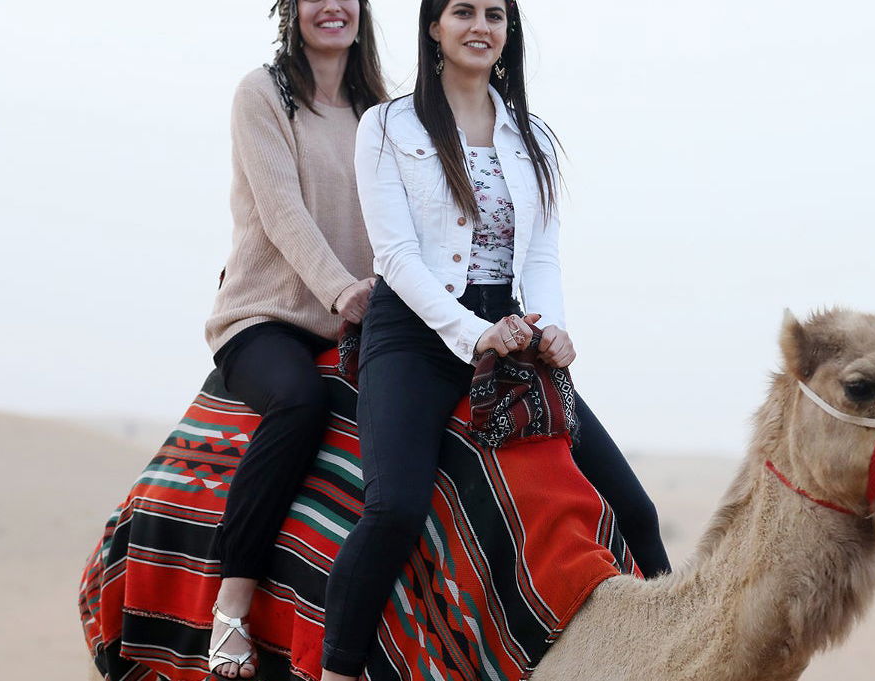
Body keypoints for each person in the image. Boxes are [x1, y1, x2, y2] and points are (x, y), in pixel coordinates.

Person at [320, 1, 671, 678]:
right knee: (394, 508)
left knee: (635, 506)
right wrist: (476, 333)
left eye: (495, 15)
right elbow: (394, 256)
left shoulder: (530, 136)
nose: (481, 26)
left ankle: (686, 657)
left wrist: (550, 327)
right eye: (463, 12)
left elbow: (540, 256)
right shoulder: (386, 126)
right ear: (434, 28)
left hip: (508, 333)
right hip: (413, 334)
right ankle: (336, 668)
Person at [202, 1, 387, 677]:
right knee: (301, 402)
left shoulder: (383, 110)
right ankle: (232, 603)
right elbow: (282, 210)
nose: (331, 6)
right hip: (266, 316)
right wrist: (342, 289)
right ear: (293, 9)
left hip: (360, 318)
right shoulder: (262, 93)